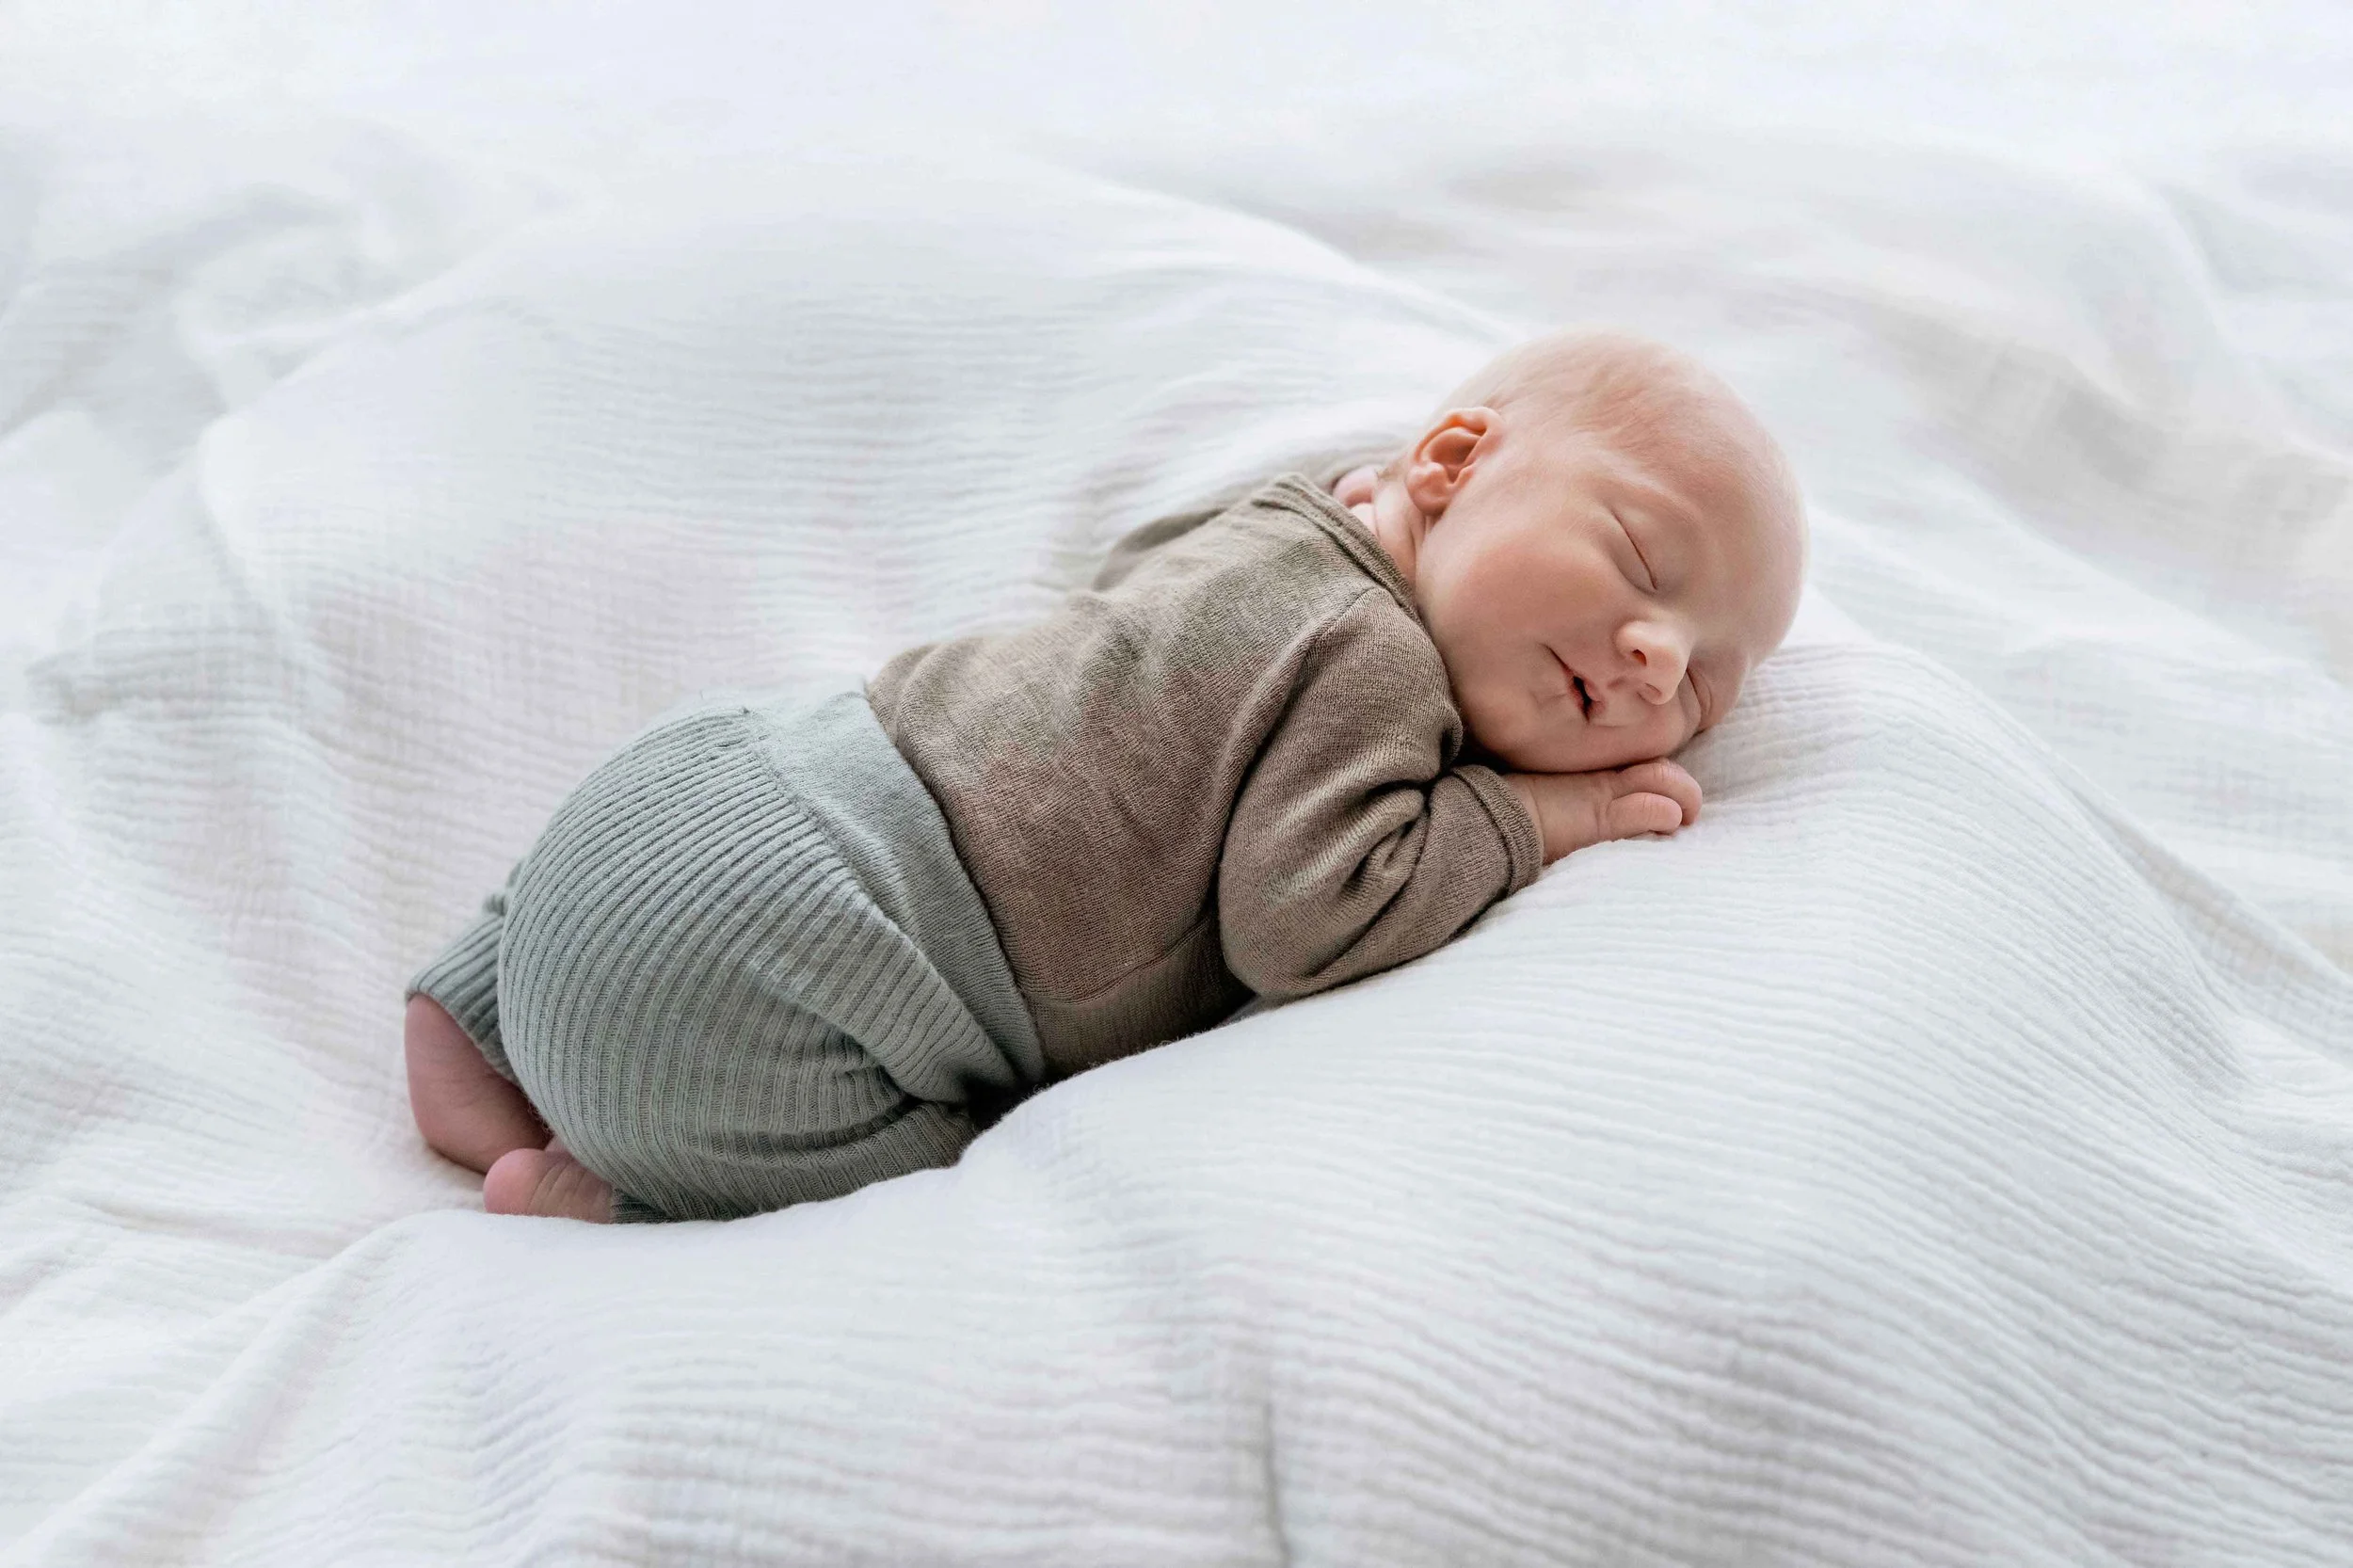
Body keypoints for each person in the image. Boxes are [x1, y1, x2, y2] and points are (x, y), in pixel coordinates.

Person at [403, 328, 1808, 1224]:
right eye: (1640, 563)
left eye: (1702, 682)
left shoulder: (1276, 518)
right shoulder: (1378, 666)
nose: (1650, 653)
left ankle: (476, 1012)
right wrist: (1529, 817)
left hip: (726, 787)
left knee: (703, 784)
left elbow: (1133, 593)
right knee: (934, 1191)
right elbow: (1307, 916)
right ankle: (613, 1195)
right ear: (1451, 461)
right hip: (812, 969)